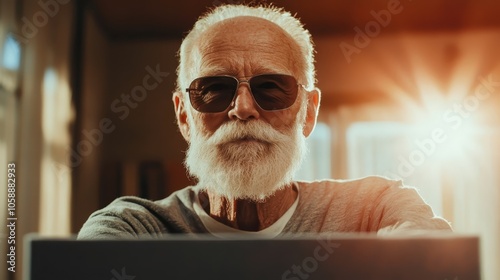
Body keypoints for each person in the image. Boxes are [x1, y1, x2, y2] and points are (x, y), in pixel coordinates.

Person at [78, 4, 451, 239]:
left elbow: (438, 259)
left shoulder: (374, 207)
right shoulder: (133, 228)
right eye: (214, 89)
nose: (242, 108)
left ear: (308, 111)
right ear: (183, 115)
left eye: (271, 88)